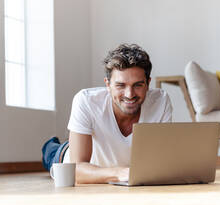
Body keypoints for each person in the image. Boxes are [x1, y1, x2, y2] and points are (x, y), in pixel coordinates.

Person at [42, 44, 172, 184]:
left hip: (122, 171)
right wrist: (121, 173)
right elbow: (76, 169)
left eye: (138, 85)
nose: (129, 94)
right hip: (75, 162)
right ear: (108, 84)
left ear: (148, 83)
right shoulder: (86, 100)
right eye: (120, 85)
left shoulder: (160, 101)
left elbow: (161, 162)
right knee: (50, 151)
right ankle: (51, 143)